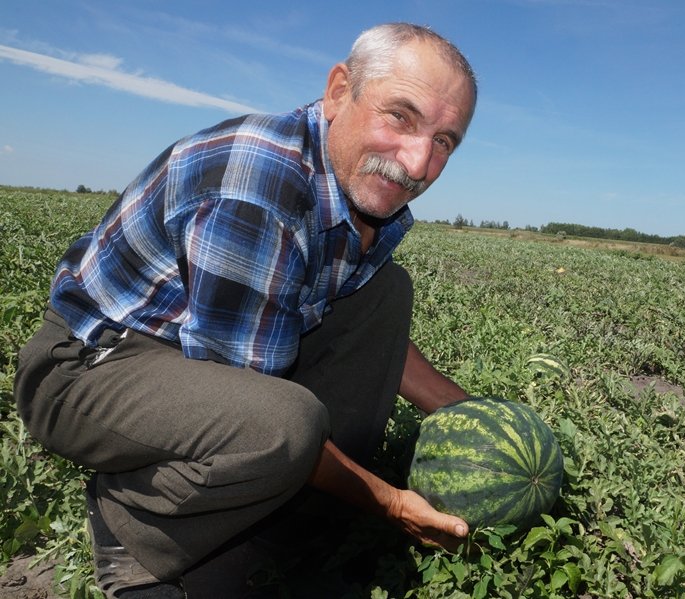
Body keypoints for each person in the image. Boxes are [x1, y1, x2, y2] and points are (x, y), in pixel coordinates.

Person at [14, 22, 477, 598]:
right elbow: (249, 398)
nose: (416, 161)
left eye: (444, 141)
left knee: (385, 295)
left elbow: (366, 329)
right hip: (88, 369)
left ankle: (296, 509)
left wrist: (479, 416)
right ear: (339, 92)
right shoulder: (259, 184)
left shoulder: (359, 195)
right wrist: (387, 501)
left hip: (189, 355)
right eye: (401, 117)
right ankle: (134, 525)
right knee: (285, 426)